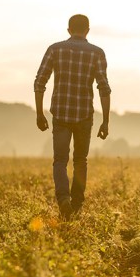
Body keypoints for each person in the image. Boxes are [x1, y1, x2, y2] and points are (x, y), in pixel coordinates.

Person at [34, 14, 111, 220]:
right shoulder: (97, 53)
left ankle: (63, 200)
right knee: (80, 160)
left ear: (68, 30)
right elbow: (104, 88)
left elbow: (40, 82)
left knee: (60, 160)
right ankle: (76, 205)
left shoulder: (55, 49)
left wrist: (40, 113)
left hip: (60, 113)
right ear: (87, 30)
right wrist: (105, 121)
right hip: (84, 115)